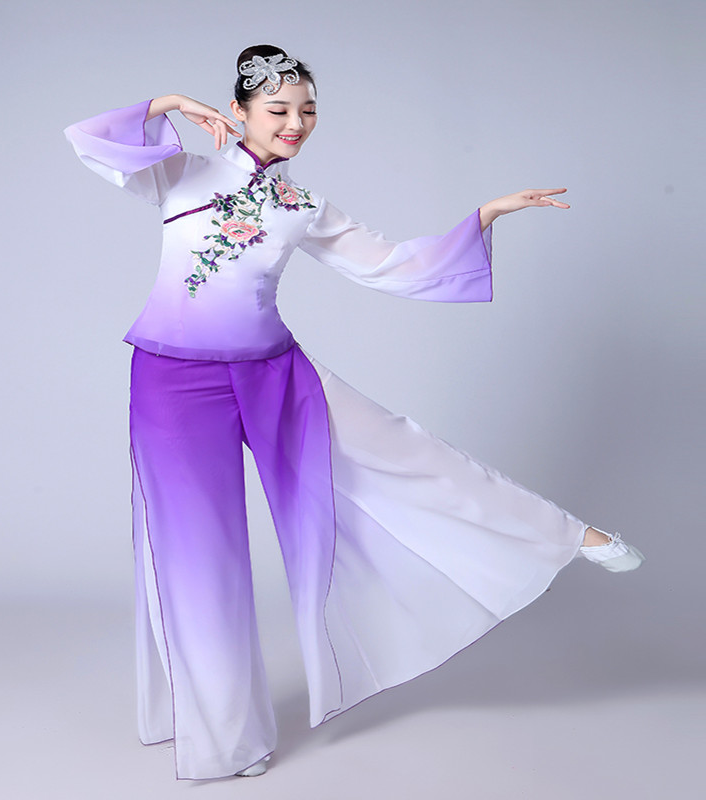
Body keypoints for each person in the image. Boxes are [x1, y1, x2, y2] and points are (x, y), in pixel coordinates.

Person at [63, 44, 644, 781]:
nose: (295, 123)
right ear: (238, 111)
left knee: (402, 454)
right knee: (199, 556)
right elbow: (91, 140)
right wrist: (168, 104)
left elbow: (394, 265)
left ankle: (561, 533)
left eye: (307, 111)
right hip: (172, 382)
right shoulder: (181, 174)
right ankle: (223, 740)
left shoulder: (303, 206)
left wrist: (484, 216)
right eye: (278, 109)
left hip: (273, 373)